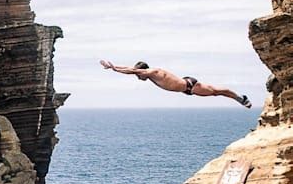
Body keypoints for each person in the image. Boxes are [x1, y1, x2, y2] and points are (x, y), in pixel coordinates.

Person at [100, 60, 252, 108]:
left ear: (142, 71)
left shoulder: (151, 72)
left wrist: (114, 69)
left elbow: (132, 71)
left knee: (216, 91)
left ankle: (240, 98)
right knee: (215, 93)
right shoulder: (148, 73)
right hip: (186, 88)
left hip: (190, 86)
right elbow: (130, 69)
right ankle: (239, 98)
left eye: (139, 75)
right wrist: (114, 67)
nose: (138, 78)